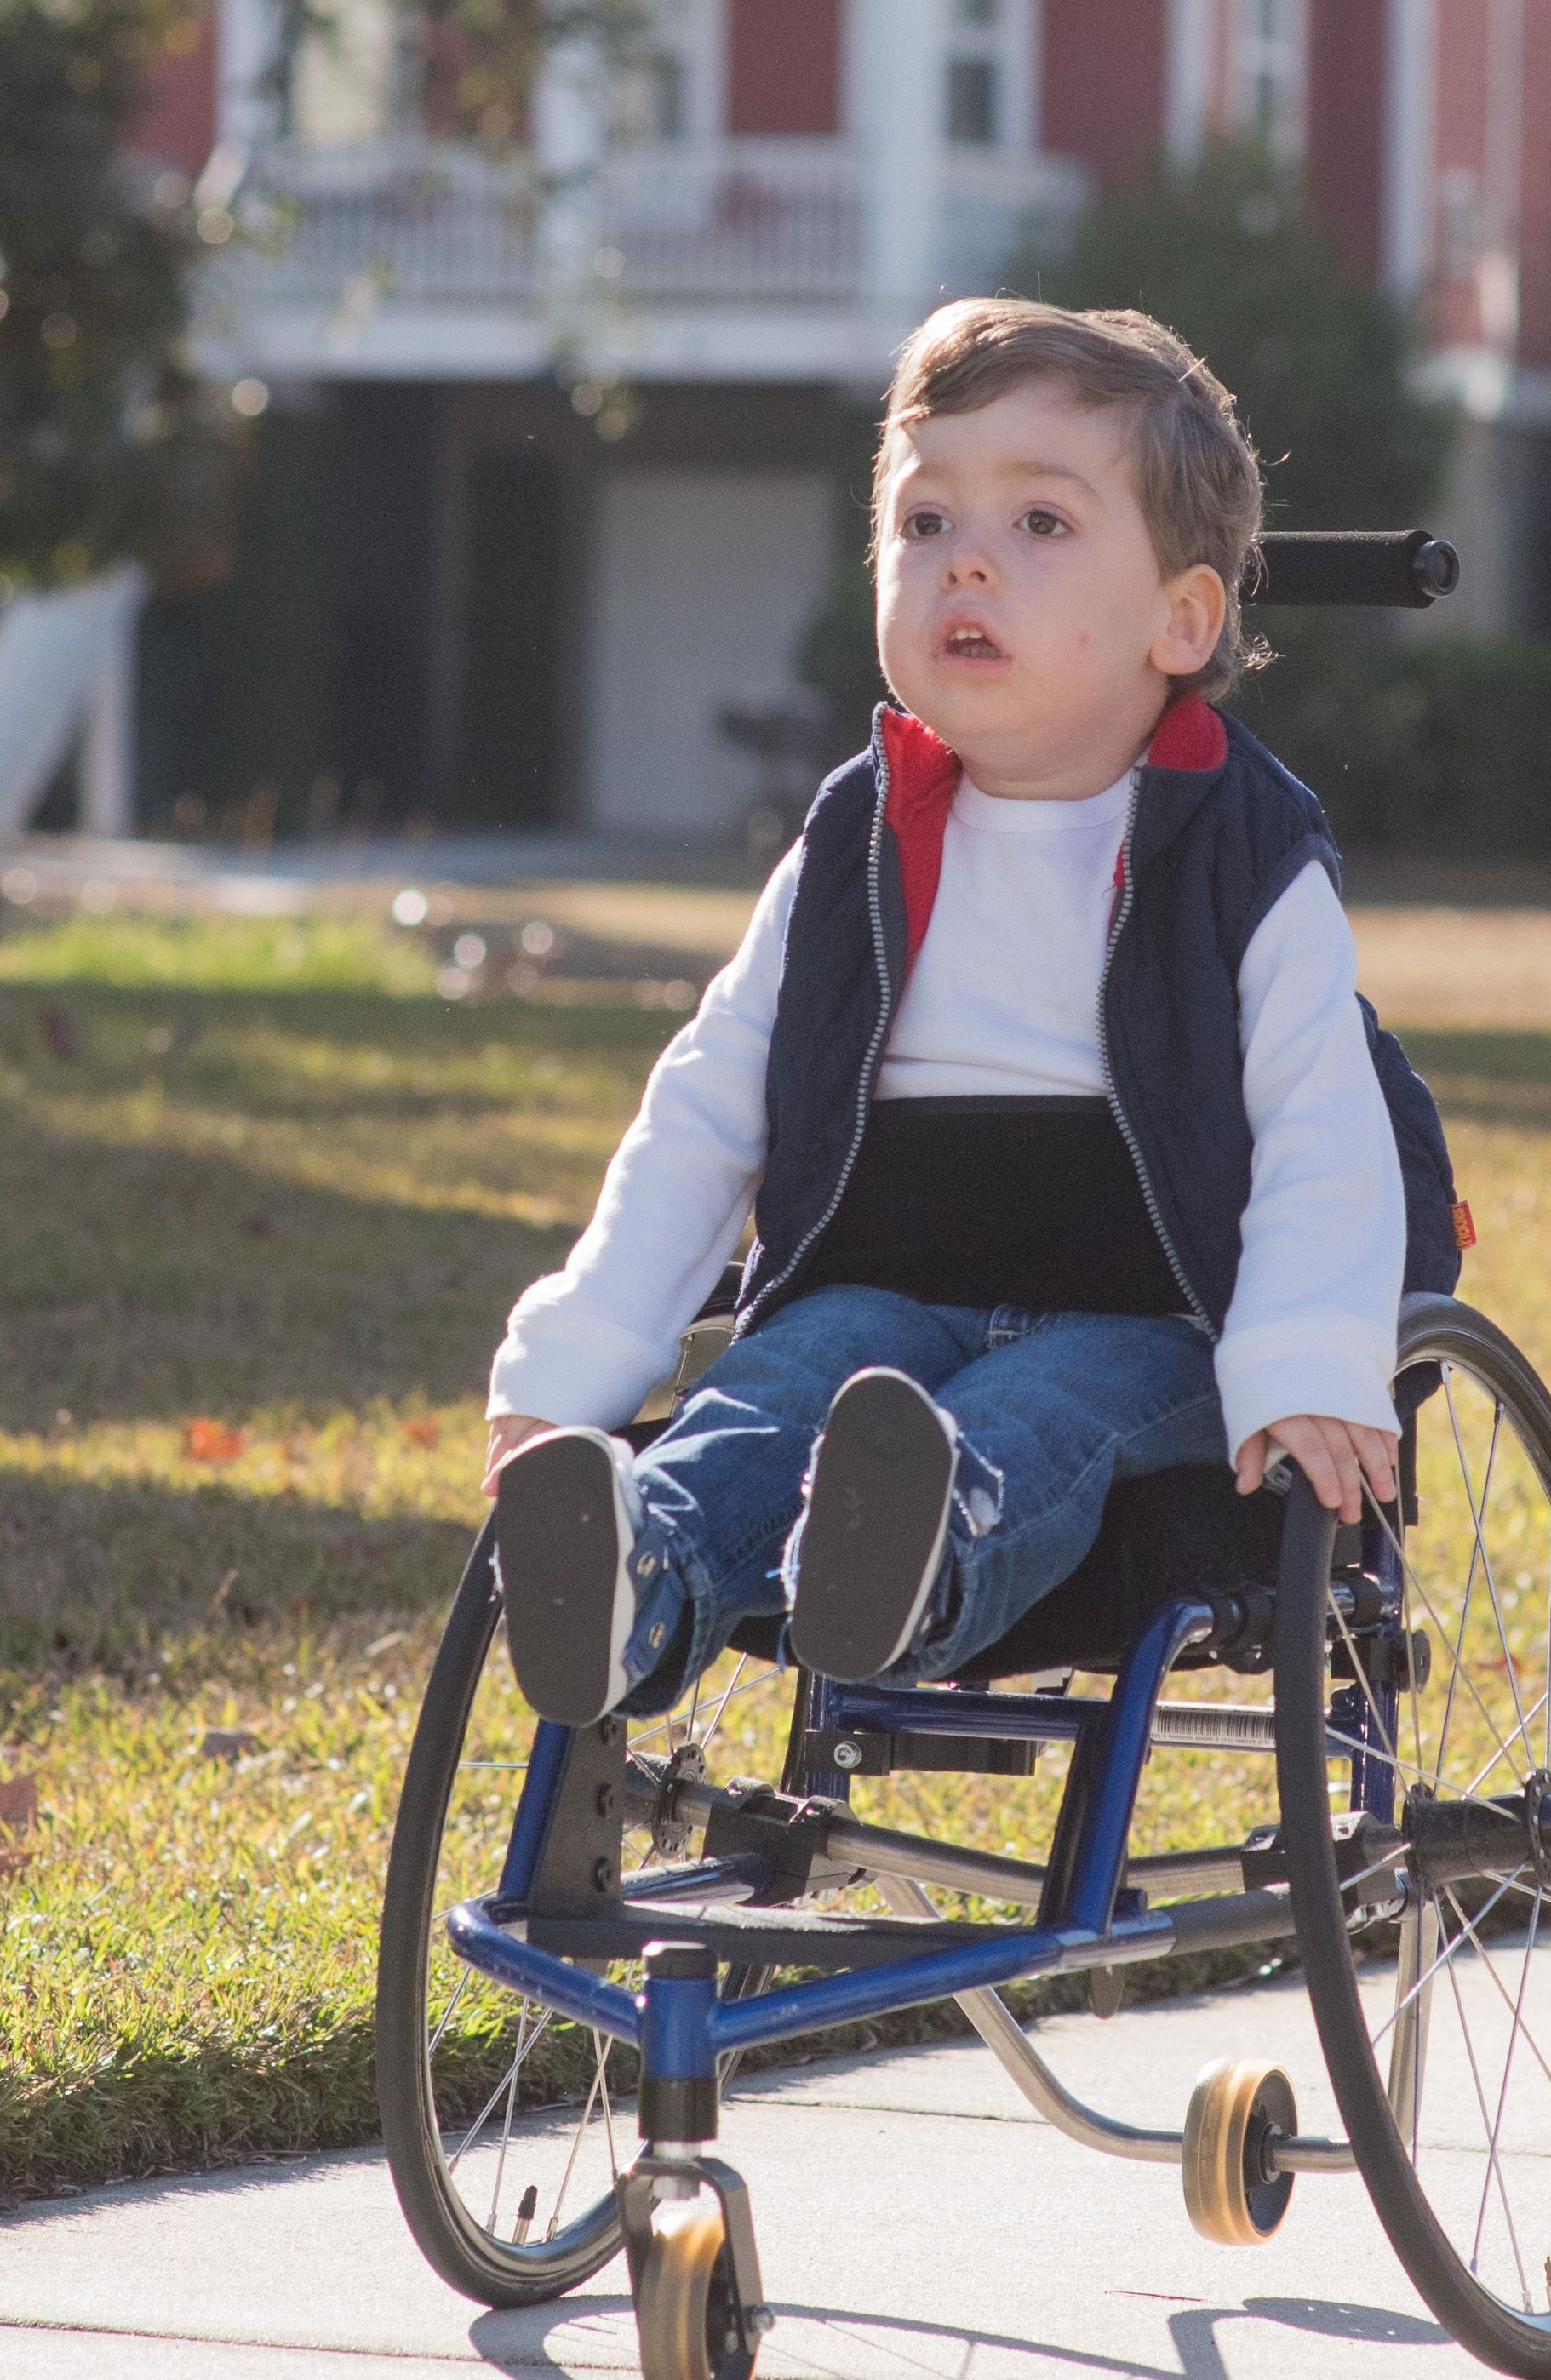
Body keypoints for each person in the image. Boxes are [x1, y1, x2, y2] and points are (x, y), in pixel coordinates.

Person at [478, 298, 1463, 1726]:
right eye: (924, 520)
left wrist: (1310, 1356)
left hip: (1159, 1304)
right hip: (886, 1282)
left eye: (1042, 525)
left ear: (1181, 618)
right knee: (771, 1391)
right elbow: (708, 1107)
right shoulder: (851, 840)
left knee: (1035, 1415)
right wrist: (575, 1359)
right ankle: (632, 1569)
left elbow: (1320, 1117)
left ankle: (909, 1561)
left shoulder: (1234, 847)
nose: (969, 560)